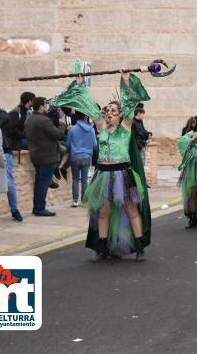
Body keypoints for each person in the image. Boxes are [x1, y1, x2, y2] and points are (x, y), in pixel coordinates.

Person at [51, 72, 152, 261]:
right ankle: (102, 248)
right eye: (108, 111)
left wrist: (126, 80)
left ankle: (139, 247)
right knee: (103, 211)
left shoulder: (126, 128)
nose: (110, 113)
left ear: (121, 115)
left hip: (122, 173)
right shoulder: (101, 128)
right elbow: (89, 105)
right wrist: (81, 85)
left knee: (131, 210)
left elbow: (129, 102)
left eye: (114, 111)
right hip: (104, 175)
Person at [25, 97, 66, 216]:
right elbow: (58, 134)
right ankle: (39, 208)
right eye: (46, 105)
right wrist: (62, 124)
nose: (47, 107)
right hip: (47, 156)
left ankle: (37, 207)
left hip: (36, 155)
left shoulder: (30, 119)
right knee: (43, 183)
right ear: (41, 106)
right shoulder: (43, 120)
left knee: (39, 182)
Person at [66, 111, 97, 207]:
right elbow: (95, 145)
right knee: (84, 180)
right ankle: (84, 201)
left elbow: (68, 145)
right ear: (85, 117)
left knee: (75, 179)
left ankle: (75, 201)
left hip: (75, 156)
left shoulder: (72, 130)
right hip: (87, 156)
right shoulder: (91, 129)